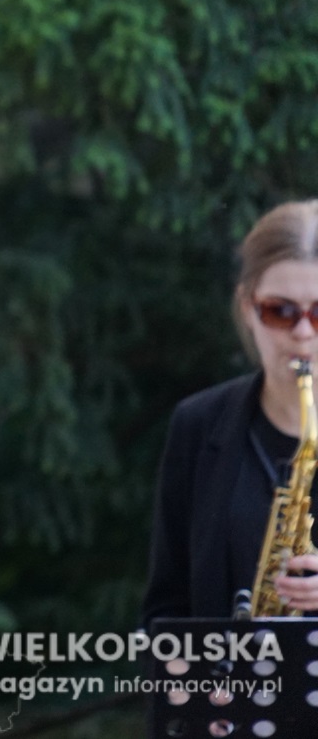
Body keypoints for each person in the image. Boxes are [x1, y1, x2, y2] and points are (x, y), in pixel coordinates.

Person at [142, 200, 318, 623]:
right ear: (247, 309)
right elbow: (166, 607)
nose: (303, 333)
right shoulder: (198, 425)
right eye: (280, 311)